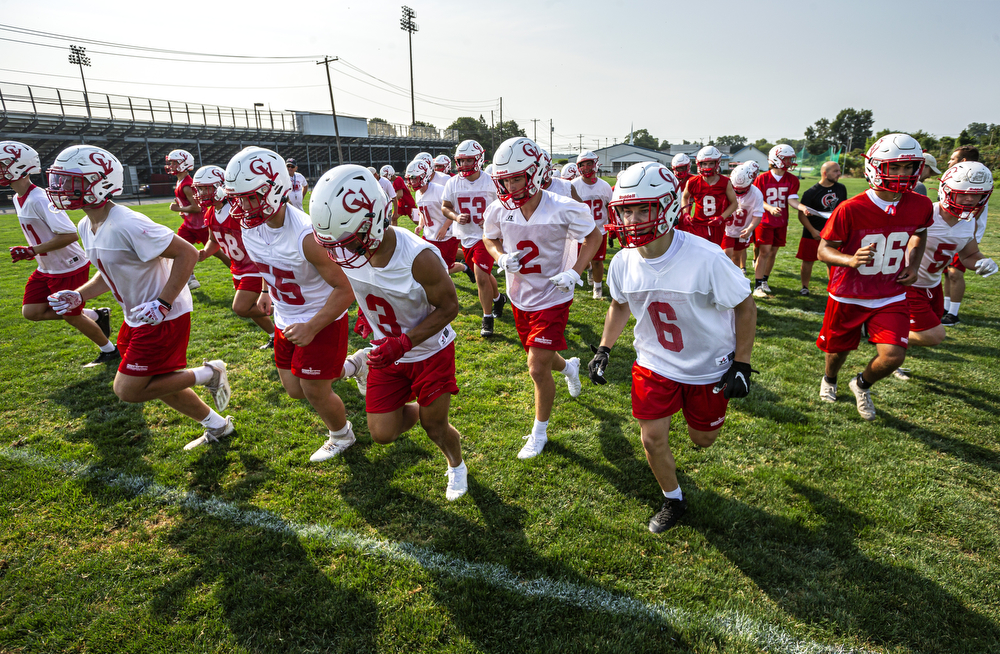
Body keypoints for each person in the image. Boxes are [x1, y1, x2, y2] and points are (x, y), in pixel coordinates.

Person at [590, 161, 757, 532]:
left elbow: (745, 305)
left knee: (704, 440)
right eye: (625, 210)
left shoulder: (707, 257)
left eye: (642, 208)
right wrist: (604, 348)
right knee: (651, 438)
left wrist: (741, 364)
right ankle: (673, 498)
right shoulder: (622, 261)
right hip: (654, 362)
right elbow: (619, 306)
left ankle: (694, 421)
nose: (632, 220)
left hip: (707, 366)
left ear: (666, 206)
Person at [45, 145, 233, 449]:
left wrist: (164, 301)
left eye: (71, 181)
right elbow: (110, 274)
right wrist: (78, 295)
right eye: (60, 181)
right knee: (157, 382)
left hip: (162, 314)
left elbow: (186, 253)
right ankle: (217, 426)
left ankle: (210, 373)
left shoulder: (127, 222)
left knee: (129, 390)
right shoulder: (85, 224)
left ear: (101, 183)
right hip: (138, 313)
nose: (61, 189)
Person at [311, 164, 468, 500]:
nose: (342, 252)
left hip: (429, 350)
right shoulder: (350, 247)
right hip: (386, 349)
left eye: (349, 241)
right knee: (382, 433)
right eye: (336, 243)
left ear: (375, 220)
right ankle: (367, 363)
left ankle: (456, 465)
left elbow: (450, 307)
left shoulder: (418, 256)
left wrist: (405, 341)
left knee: (434, 426)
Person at [225, 146, 369, 461]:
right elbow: (268, 262)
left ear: (275, 189)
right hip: (285, 316)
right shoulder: (250, 225)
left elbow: (346, 288)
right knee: (295, 389)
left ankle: (342, 434)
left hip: (321, 318)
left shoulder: (306, 235)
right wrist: (265, 290)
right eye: (238, 198)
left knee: (315, 390)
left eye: (250, 197)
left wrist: (312, 327)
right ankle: (355, 365)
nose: (241, 206)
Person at [483, 137, 602, 459]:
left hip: (553, 294)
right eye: (504, 179)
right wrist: (498, 257)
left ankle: (540, 431)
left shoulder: (563, 206)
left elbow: (594, 236)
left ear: (535, 173)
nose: (510, 185)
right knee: (545, 360)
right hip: (520, 294)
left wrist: (576, 272)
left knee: (536, 368)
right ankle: (570, 368)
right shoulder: (498, 209)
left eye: (517, 177)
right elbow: (489, 237)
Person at [816, 133, 932, 420]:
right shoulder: (850, 208)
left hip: (890, 292)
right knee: (837, 350)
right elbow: (823, 250)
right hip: (849, 292)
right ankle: (830, 378)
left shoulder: (920, 204)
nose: (903, 175)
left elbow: (920, 233)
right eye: (895, 167)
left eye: (908, 167)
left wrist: (914, 263)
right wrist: (850, 259)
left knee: (894, 355)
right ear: (876, 167)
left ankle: (861, 384)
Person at [2, 140, 117, 366]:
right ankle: (96, 315)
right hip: (47, 266)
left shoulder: (39, 198)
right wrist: (31, 251)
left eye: (2, 165)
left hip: (67, 265)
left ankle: (110, 350)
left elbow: (69, 235)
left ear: (19, 166)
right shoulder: (17, 197)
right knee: (31, 311)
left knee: (71, 315)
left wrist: (32, 250)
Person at [900, 161, 995, 378]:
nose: (970, 199)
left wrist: (981, 262)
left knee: (922, 330)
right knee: (934, 335)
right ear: (947, 190)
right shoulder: (925, 213)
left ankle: (892, 354)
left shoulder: (968, 221)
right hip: (909, 285)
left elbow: (969, 254)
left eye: (977, 195)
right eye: (963, 194)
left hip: (933, 285)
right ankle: (883, 333)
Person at [193, 164, 275, 349]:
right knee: (249, 307)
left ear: (220, 186)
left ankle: (282, 308)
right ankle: (274, 336)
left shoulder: (239, 210)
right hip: (237, 267)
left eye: (204, 188)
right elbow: (214, 240)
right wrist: (204, 253)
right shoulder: (211, 212)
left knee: (240, 307)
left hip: (254, 266)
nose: (200, 193)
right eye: (198, 189)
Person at [441, 139, 507, 336]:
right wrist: (455, 216)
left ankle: (487, 319)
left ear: (479, 159)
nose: (465, 165)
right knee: (484, 276)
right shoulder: (452, 182)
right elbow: (445, 207)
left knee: (480, 276)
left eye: (469, 160)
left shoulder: (491, 181)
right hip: (466, 236)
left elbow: (505, 205)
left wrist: (491, 220)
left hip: (487, 236)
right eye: (461, 161)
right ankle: (498, 299)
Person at [942, 145, 990, 325]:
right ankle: (946, 307)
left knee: (955, 272)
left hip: (963, 233)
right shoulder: (959, 178)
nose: (949, 162)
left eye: (953, 159)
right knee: (947, 272)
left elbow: (973, 210)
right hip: (953, 231)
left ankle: (953, 313)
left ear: (963, 161)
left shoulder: (975, 181)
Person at [166, 149, 225, 290]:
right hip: (190, 224)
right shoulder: (180, 181)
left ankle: (238, 272)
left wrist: (178, 209)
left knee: (217, 253)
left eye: (174, 162)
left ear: (184, 164)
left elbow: (197, 207)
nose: (171, 165)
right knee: (177, 249)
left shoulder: (187, 184)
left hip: (201, 225)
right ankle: (191, 279)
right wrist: (183, 211)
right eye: (171, 162)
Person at [752, 144, 802, 297]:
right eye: (786, 159)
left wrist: (802, 207)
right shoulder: (762, 178)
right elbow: (758, 200)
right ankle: (758, 284)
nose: (789, 162)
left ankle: (765, 280)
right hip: (765, 220)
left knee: (773, 252)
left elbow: (792, 200)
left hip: (781, 221)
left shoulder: (793, 179)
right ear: (777, 159)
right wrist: (770, 208)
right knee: (765, 252)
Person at [406, 159, 468, 279]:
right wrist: (420, 225)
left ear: (424, 176)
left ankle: (465, 267)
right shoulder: (419, 193)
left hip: (446, 236)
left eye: (415, 178)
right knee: (428, 266)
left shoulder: (439, 190)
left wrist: (445, 227)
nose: (412, 182)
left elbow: (454, 210)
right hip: (429, 235)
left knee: (446, 269)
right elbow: (422, 211)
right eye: (410, 178)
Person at [796, 161, 847, 295]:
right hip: (812, 233)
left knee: (833, 261)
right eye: (835, 171)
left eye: (839, 170)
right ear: (825, 173)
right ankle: (804, 287)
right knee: (808, 261)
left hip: (832, 233)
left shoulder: (841, 188)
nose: (839, 174)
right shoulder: (811, 192)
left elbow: (843, 210)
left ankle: (833, 286)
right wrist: (813, 231)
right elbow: (801, 216)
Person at [572, 151, 614, 300]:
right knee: (578, 259)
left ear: (595, 164)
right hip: (580, 230)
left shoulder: (604, 186)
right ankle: (588, 268)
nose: (586, 167)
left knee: (598, 261)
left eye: (589, 163)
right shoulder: (573, 185)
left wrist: (612, 226)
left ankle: (597, 288)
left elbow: (610, 208)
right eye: (582, 165)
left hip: (599, 229)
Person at [679, 145, 738, 247]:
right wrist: (686, 213)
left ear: (717, 163)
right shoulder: (693, 182)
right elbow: (685, 197)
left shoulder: (725, 182)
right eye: (704, 164)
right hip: (698, 224)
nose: (707, 167)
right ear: (699, 164)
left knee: (715, 253)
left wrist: (721, 217)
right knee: (699, 253)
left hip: (716, 226)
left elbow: (734, 203)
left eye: (711, 163)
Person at [723, 161, 764, 270]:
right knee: (726, 254)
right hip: (727, 229)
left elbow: (757, 215)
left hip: (743, 230)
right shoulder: (726, 188)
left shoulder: (756, 193)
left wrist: (750, 229)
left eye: (743, 189)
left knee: (737, 257)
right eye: (736, 189)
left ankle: (735, 280)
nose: (739, 192)